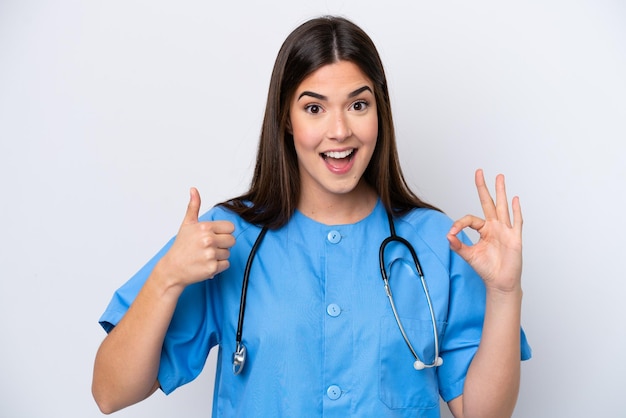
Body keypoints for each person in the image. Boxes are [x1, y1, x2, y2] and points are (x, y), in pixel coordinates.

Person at [92, 15, 531, 418]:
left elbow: (482, 414)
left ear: (380, 113)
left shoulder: (438, 243)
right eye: (314, 108)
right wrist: (168, 276)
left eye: (358, 105)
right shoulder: (228, 238)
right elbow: (111, 392)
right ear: (286, 118)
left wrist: (505, 292)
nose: (340, 131)